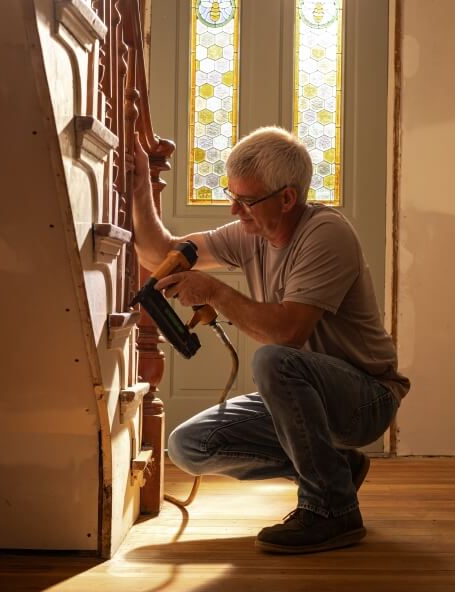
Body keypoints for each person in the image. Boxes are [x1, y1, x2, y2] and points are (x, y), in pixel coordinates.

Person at [131, 126, 411, 554]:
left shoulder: (326, 234)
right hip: (305, 394)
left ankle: (331, 510)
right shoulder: (251, 233)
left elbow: (288, 333)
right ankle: (335, 471)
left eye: (246, 200)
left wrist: (214, 291)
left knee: (272, 360)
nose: (234, 209)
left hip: (366, 397)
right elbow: (160, 254)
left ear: (287, 198)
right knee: (189, 446)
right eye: (231, 195)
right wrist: (138, 184)